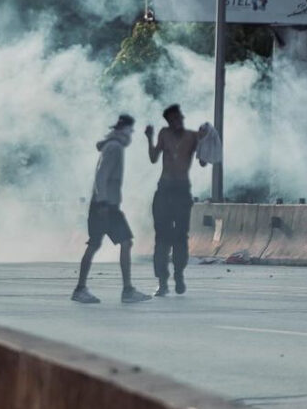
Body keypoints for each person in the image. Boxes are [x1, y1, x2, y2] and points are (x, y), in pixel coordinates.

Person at [72, 114, 150, 304]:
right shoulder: (114, 147)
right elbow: (101, 176)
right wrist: (104, 203)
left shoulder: (111, 146)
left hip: (105, 205)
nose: (131, 135)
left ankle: (120, 289)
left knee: (111, 243)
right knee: (113, 243)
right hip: (105, 206)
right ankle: (124, 290)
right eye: (130, 131)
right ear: (123, 130)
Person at [145, 105, 207, 297]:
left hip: (181, 191)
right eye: (172, 120)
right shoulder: (164, 134)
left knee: (180, 236)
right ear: (168, 122)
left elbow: (204, 161)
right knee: (162, 237)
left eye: (178, 119)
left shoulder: (192, 137)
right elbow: (154, 158)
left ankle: (179, 274)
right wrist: (149, 138)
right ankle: (162, 281)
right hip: (164, 190)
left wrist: (204, 141)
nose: (176, 122)